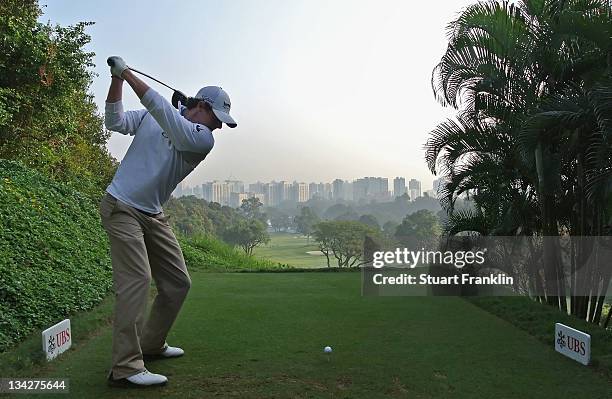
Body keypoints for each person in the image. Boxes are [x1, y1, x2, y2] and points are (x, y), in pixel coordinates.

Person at [99, 56, 237, 388]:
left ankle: (150, 345)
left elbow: (166, 115)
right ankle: (126, 368)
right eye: (216, 117)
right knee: (136, 281)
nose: (218, 126)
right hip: (122, 206)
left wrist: (129, 74)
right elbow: (115, 122)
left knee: (177, 283)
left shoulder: (202, 139)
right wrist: (118, 79)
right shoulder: (157, 116)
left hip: (153, 213)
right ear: (201, 105)